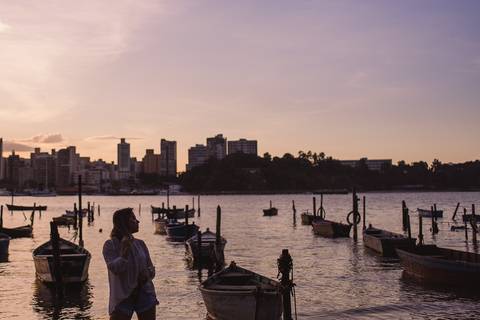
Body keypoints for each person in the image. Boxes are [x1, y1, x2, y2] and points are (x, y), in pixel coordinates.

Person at [103, 208, 158, 320]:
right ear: (123, 223)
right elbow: (115, 269)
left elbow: (151, 268)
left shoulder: (140, 244)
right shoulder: (110, 245)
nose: (138, 221)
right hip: (122, 297)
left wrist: (147, 274)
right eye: (133, 218)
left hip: (144, 292)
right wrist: (124, 253)